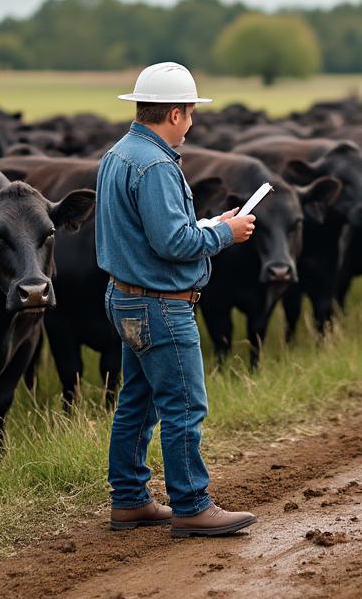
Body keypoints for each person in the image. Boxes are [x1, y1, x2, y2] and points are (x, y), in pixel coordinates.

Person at [96, 62, 258, 538]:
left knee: (137, 402)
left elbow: (149, 234)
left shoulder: (118, 155)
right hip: (161, 304)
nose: (191, 122)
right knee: (184, 406)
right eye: (189, 113)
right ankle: (191, 504)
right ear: (173, 113)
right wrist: (225, 234)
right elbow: (173, 243)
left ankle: (129, 499)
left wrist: (209, 225)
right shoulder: (157, 165)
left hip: (126, 297)